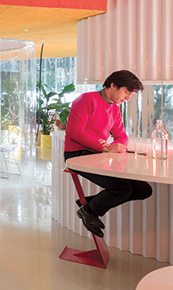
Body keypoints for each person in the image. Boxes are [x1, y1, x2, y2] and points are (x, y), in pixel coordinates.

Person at [63, 70, 152, 238]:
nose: (128, 98)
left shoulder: (115, 109)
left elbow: (122, 136)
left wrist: (117, 146)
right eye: (126, 92)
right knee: (122, 189)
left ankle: (90, 205)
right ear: (113, 85)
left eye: (131, 95)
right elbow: (75, 131)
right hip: (77, 155)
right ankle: (89, 210)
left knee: (144, 189)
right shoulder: (86, 99)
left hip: (97, 155)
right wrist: (103, 147)